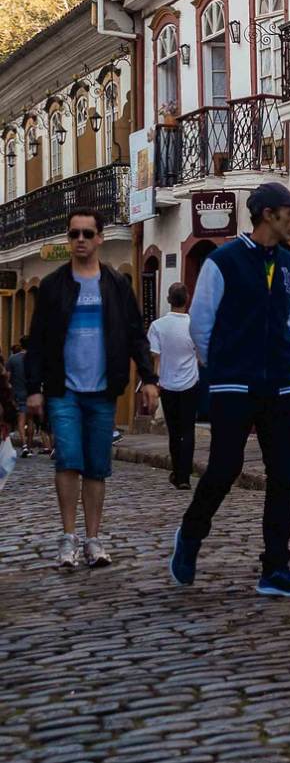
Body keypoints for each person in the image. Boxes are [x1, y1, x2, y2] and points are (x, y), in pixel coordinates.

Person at [170, 182, 290, 597]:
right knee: (224, 468)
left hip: (280, 386)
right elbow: (202, 324)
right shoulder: (223, 261)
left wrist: (278, 362)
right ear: (269, 214)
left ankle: (275, 568)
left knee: (284, 474)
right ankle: (191, 535)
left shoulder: (289, 265)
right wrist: (225, 365)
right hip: (234, 383)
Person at [25, 208, 159, 569]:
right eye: (74, 234)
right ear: (68, 240)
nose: (80, 240)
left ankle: (93, 540)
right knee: (69, 460)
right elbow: (37, 341)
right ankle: (68, 538)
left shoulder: (116, 286)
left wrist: (148, 379)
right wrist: (34, 390)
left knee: (97, 467)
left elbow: (135, 334)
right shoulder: (54, 286)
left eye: (87, 234)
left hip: (102, 390)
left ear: (99, 238)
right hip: (63, 389)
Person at [148, 282, 200, 490]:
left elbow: (155, 357)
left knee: (174, 430)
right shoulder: (194, 325)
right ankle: (185, 476)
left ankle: (177, 471)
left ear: (169, 300)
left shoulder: (158, 326)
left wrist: (154, 380)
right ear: (187, 300)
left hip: (167, 384)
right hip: (190, 383)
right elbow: (201, 354)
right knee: (188, 430)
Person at [6, 338, 30, 457]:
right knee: (31, 421)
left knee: (21, 421)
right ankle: (29, 445)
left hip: (18, 393)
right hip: (32, 393)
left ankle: (24, 445)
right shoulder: (35, 359)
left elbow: (7, 378)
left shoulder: (13, 359)